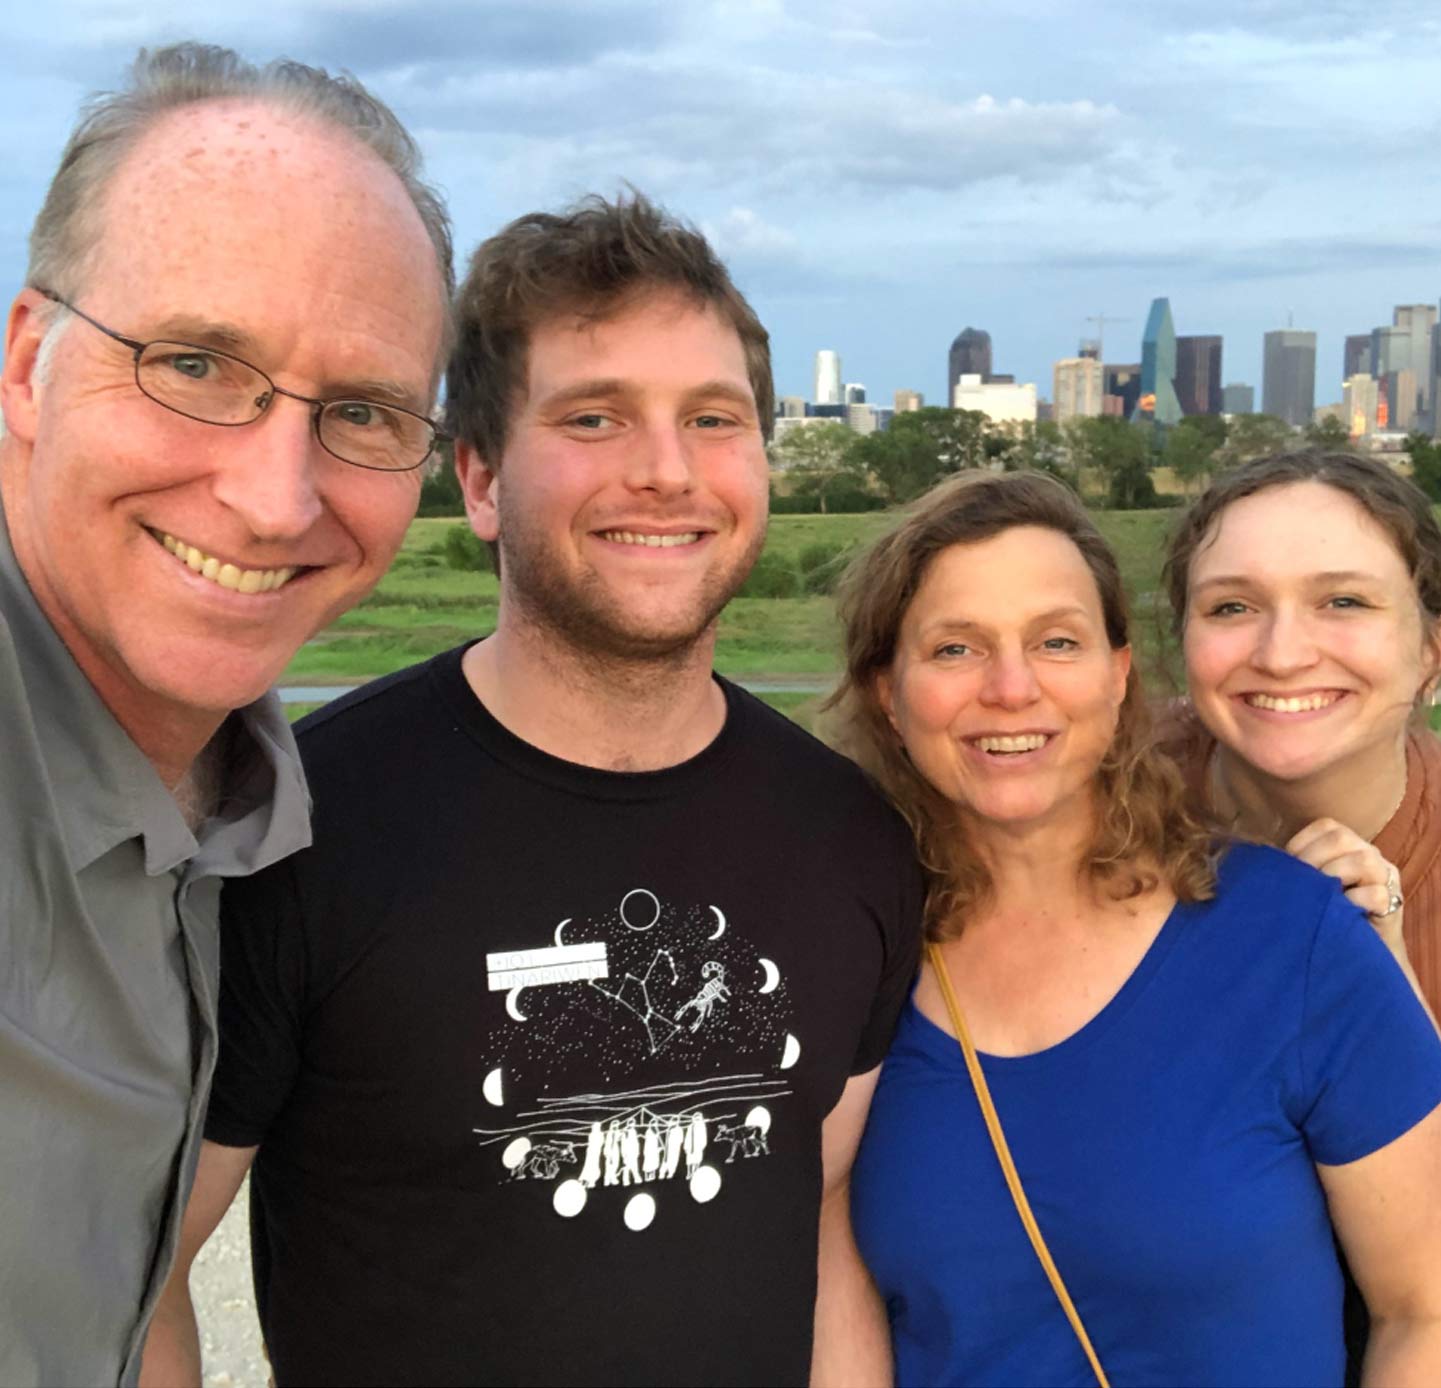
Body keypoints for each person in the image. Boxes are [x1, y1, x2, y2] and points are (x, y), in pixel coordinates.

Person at [141, 193, 922, 1387]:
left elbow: (812, 1217)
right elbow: (136, 1279)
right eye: (594, 416)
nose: (667, 471)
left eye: (713, 418)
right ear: (480, 478)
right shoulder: (298, 822)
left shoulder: (852, 835)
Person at [0, 42, 451, 1387]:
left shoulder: (236, 809)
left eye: (364, 411)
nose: (274, 498)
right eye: (196, 362)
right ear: (27, 364)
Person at [828, 471, 1441, 1386]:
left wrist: (1373, 970)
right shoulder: (844, 947)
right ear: (887, 689)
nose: (1010, 687)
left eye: (1056, 641)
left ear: (1117, 675)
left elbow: (1422, 1306)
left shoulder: (1296, 937)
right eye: (955, 647)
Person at [1162, 449, 1441, 1016]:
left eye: (1344, 602)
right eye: (1233, 607)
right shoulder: (1096, 796)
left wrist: (1385, 997)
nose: (1282, 656)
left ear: (1430, 654)